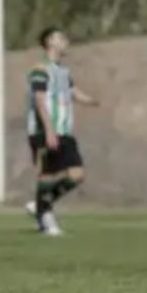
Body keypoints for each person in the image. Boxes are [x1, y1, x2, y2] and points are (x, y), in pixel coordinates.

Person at [24, 27, 99, 236]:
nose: (66, 41)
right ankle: (46, 219)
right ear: (50, 43)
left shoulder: (64, 73)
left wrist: (94, 101)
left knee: (77, 175)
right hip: (44, 131)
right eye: (60, 38)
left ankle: (40, 206)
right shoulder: (40, 69)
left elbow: (74, 93)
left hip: (64, 131)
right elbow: (40, 100)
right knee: (47, 175)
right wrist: (48, 130)